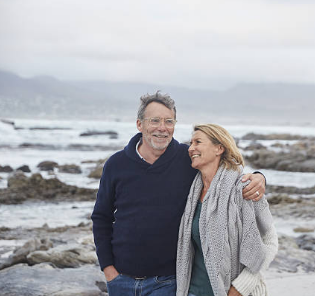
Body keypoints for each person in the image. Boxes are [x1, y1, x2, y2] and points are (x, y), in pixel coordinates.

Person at [91, 92, 266, 296]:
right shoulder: (116, 164)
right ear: (140, 124)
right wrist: (108, 269)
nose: (162, 128)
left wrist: (258, 176)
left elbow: (225, 172)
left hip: (167, 282)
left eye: (169, 121)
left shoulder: (188, 159)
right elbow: (101, 217)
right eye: (154, 121)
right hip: (121, 281)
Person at [176, 124, 278, 296]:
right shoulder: (192, 190)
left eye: (198, 142)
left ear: (219, 148)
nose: (191, 148)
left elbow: (270, 241)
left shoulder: (244, 188)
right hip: (192, 291)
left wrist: (240, 287)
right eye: (191, 142)